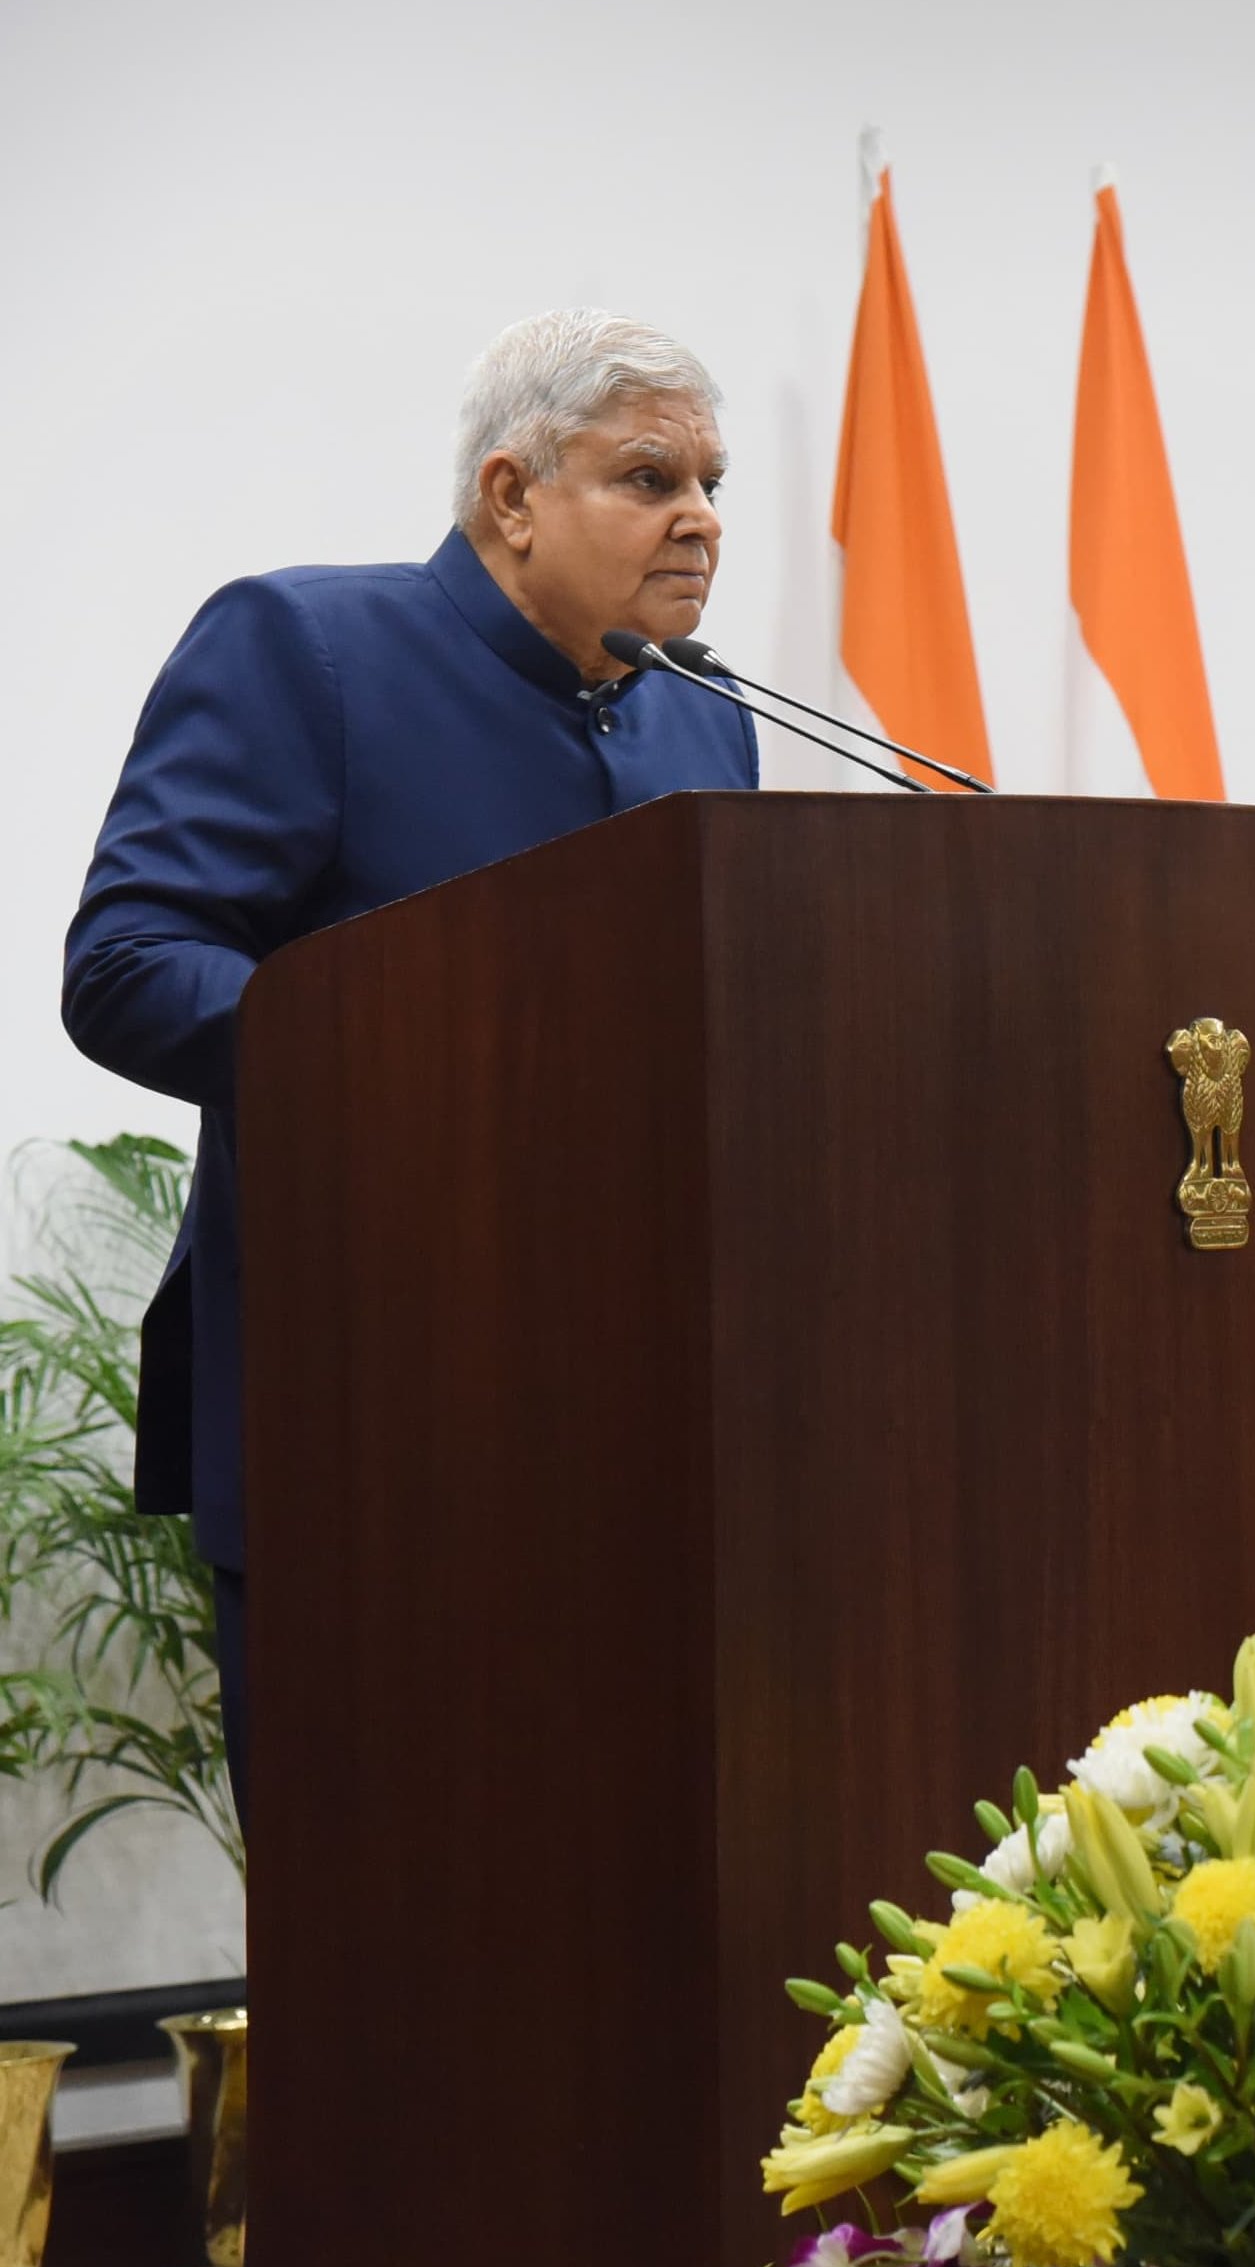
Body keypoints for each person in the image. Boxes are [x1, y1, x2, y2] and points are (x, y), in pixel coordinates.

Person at [62, 310, 760, 1803]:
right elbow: (128, 964)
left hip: (646, 1443)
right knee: (397, 1929)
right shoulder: (306, 645)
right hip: (369, 1429)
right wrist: (427, 1061)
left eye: (712, 479)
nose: (698, 517)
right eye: (648, 476)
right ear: (510, 495)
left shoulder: (703, 717)